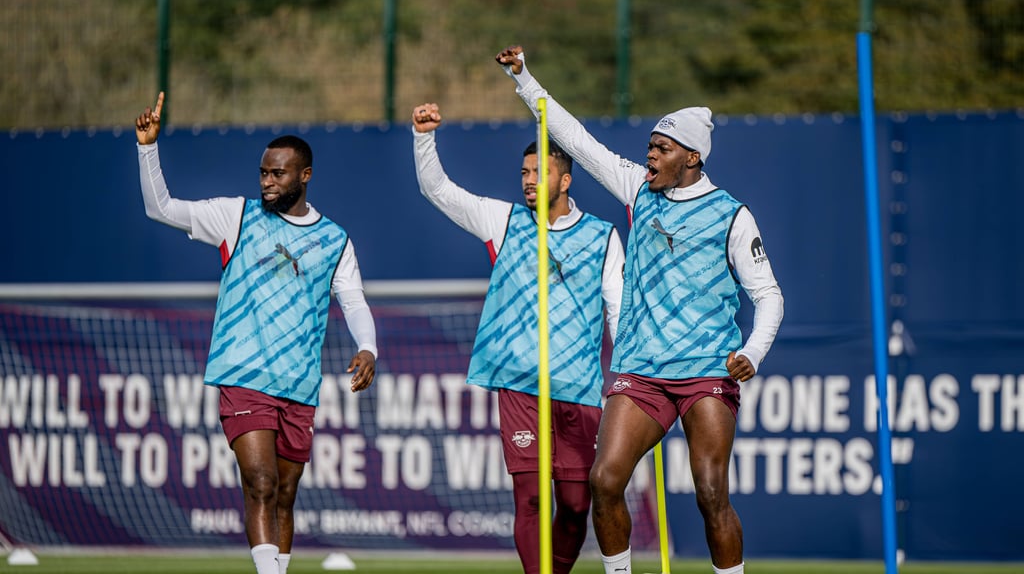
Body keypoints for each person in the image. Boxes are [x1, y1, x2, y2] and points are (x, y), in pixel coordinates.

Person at [496, 47, 785, 574]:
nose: (649, 155)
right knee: (604, 481)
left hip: (704, 372)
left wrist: (752, 352)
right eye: (649, 146)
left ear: (692, 157)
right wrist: (525, 80)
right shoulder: (638, 190)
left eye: (662, 148)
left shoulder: (732, 216)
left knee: (710, 493)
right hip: (641, 371)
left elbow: (769, 296)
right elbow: (578, 141)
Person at [135, 92, 378, 574]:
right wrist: (147, 148)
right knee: (262, 482)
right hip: (243, 375)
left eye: (278, 173)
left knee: (285, 494)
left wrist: (367, 346)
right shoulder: (237, 216)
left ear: (304, 176)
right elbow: (160, 207)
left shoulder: (335, 239)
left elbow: (352, 300)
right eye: (264, 172)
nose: (267, 181)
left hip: (299, 385)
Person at [411, 102, 625, 574]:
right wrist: (423, 137)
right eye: (524, 172)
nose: (528, 180)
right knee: (529, 500)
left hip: (579, 388)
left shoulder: (602, 236)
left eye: (539, 172)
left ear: (565, 181)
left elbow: (617, 308)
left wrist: (628, 373)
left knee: (574, 505)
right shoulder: (502, 221)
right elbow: (438, 190)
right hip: (521, 385)